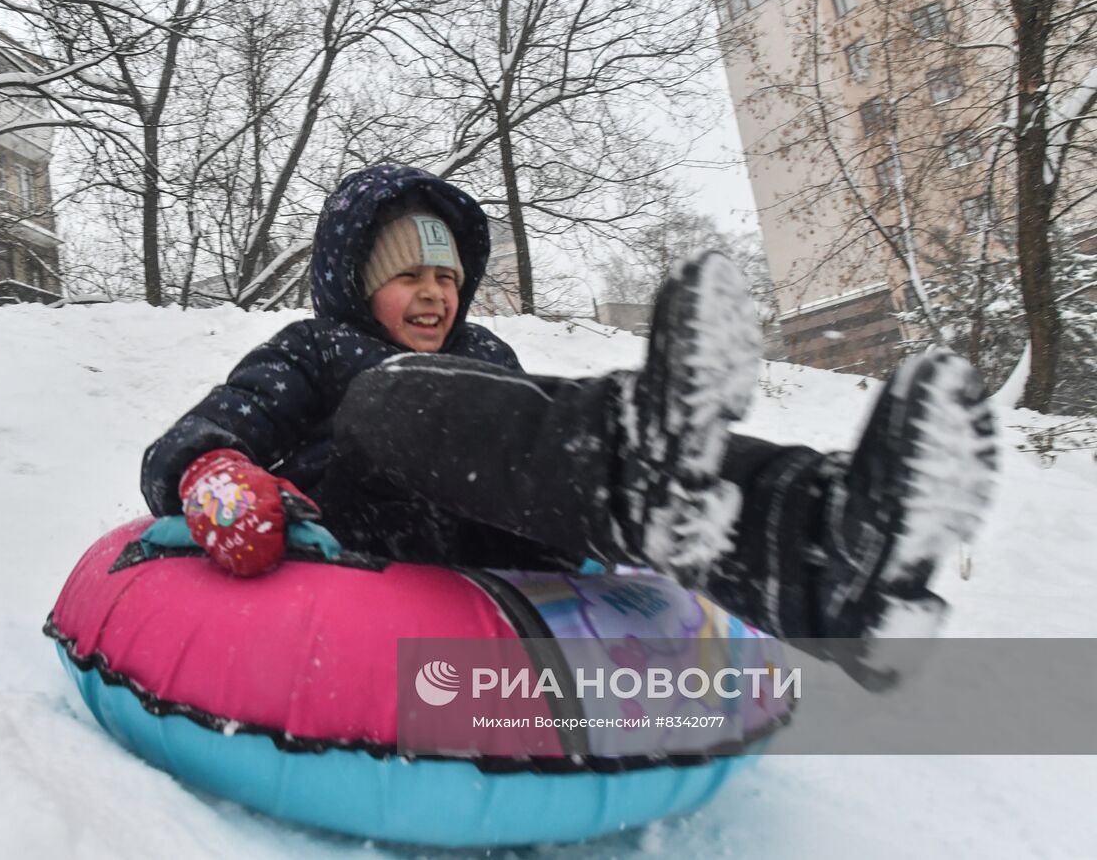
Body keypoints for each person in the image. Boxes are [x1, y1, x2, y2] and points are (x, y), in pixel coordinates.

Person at [142, 163, 997, 684]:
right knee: (390, 394)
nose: (437, 293)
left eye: (447, 274)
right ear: (355, 282)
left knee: (608, 428)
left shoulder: (483, 345)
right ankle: (637, 471)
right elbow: (205, 432)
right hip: (375, 526)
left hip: (499, 536)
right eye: (409, 276)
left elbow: (529, 440)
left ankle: (827, 538)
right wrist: (213, 470)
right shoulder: (318, 347)